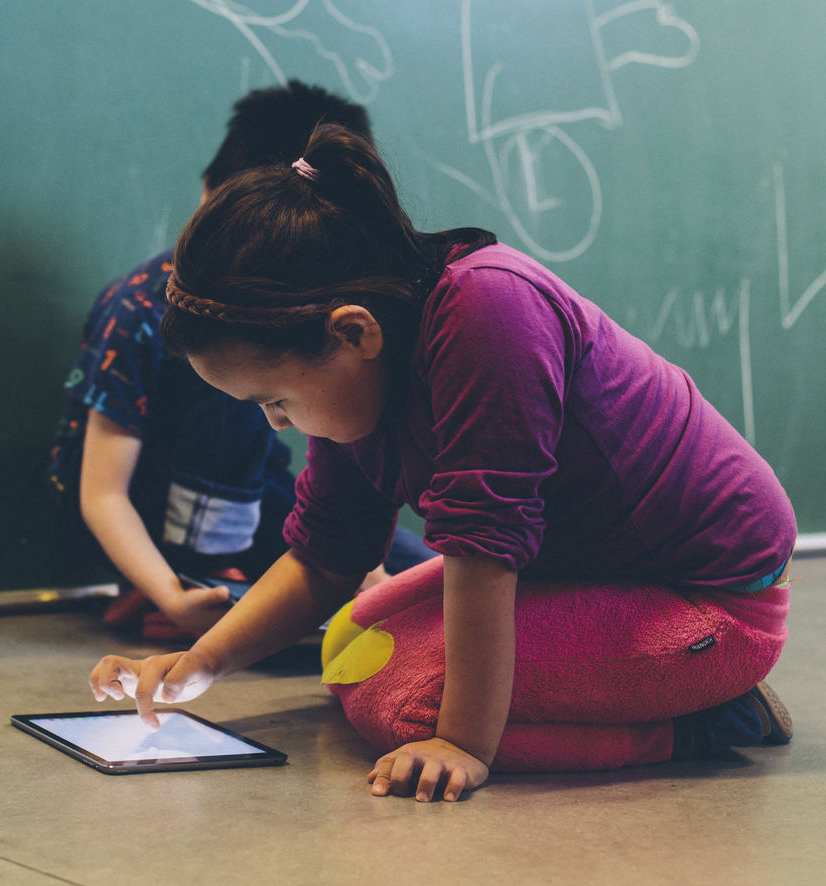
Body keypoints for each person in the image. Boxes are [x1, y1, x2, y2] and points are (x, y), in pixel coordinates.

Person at [89, 122, 796, 802]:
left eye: (275, 400)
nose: (276, 422)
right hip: (581, 569)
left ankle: (709, 721)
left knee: (406, 708)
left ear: (353, 333)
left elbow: (484, 546)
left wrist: (462, 743)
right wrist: (199, 663)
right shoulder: (352, 377)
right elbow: (325, 559)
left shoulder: (490, 307)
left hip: (707, 597)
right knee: (350, 640)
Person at [49, 80, 433, 641]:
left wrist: (368, 576)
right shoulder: (138, 306)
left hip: (252, 494)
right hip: (147, 517)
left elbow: (342, 525)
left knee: (424, 578)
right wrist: (173, 596)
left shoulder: (333, 303)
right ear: (213, 196)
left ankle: (228, 570)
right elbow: (102, 494)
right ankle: (204, 567)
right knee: (234, 367)